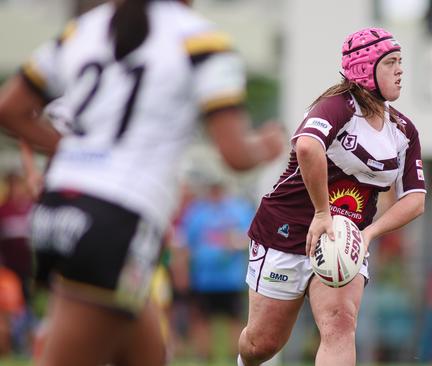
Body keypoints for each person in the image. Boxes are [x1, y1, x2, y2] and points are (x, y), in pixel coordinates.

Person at [0, 1, 285, 365]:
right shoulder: (201, 41)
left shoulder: (87, 28)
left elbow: (10, 109)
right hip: (116, 217)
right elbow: (234, 154)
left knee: (148, 353)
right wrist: (267, 145)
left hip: (57, 209)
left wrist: (72, 151)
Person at [238, 27, 427, 366]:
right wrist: (323, 213)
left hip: (346, 241)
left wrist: (367, 234)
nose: (401, 70)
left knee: (340, 324)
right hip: (288, 230)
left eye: (401, 62)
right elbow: (308, 147)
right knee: (261, 344)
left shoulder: (403, 131)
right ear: (365, 69)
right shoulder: (337, 108)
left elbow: (416, 199)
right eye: (391, 63)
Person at [180, 177, 254, 361]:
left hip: (231, 278)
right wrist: (183, 272)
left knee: (235, 320)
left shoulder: (240, 209)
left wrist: (236, 242)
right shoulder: (196, 212)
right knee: (202, 320)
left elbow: (251, 236)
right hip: (204, 279)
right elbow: (186, 244)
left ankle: (236, 358)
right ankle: (204, 358)